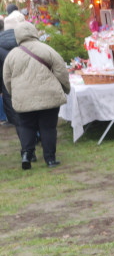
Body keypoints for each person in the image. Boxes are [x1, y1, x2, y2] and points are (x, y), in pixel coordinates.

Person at [2, 21, 70, 169]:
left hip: (23, 97)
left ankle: (26, 155)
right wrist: (66, 88)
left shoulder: (12, 55)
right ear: (34, 32)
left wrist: (14, 93)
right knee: (48, 127)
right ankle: (50, 159)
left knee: (26, 126)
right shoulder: (47, 49)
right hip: (49, 95)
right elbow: (61, 71)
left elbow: (7, 79)